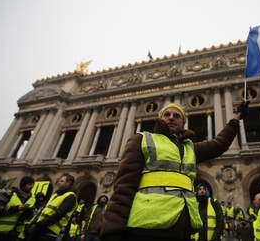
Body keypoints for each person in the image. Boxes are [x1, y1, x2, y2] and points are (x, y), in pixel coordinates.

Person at [100, 101, 250, 241]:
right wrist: (112, 230)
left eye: (176, 115)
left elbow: (219, 144)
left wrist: (235, 119)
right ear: (160, 119)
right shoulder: (142, 140)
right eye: (167, 114)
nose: (171, 118)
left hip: (182, 228)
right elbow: (124, 186)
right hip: (145, 229)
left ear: (183, 122)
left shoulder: (189, 148)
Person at [27, 174, 78, 241]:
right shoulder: (56, 194)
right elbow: (44, 211)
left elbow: (58, 215)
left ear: (68, 183)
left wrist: (39, 225)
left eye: (62, 181)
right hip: (40, 227)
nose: (59, 183)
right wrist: (34, 223)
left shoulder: (71, 196)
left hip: (50, 230)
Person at [0, 176, 35, 241]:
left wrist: (29, 212)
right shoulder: (9, 193)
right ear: (23, 185)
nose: (32, 186)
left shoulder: (32, 199)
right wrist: (16, 208)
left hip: (15, 234)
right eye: (29, 184)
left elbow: (28, 218)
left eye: (33, 184)